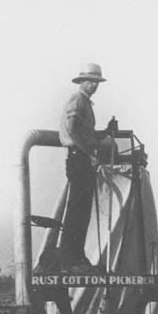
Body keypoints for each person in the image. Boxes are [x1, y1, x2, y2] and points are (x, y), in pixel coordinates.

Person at [57, 62, 108, 271]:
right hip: (79, 158)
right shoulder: (78, 100)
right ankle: (70, 258)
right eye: (90, 81)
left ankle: (76, 256)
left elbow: (83, 132)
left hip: (82, 157)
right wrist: (89, 153)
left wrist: (104, 133)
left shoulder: (85, 102)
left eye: (96, 82)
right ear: (81, 82)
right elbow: (73, 130)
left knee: (82, 210)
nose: (93, 85)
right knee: (77, 210)